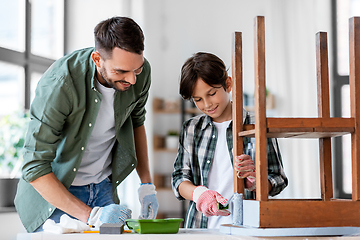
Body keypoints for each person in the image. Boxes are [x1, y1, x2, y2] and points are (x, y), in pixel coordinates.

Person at [14, 16, 158, 233]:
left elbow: (137, 122)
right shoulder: (60, 83)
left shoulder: (142, 72)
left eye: (136, 70)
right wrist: (92, 215)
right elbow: (34, 166)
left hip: (104, 188)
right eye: (121, 72)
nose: (132, 80)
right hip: (58, 196)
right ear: (97, 59)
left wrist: (147, 185)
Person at [171, 52, 288, 229]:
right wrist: (200, 194)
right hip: (200, 228)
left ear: (228, 84)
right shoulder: (191, 129)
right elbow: (179, 179)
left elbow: (278, 179)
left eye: (211, 93)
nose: (207, 104)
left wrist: (256, 182)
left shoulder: (257, 126)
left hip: (247, 229)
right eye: (198, 100)